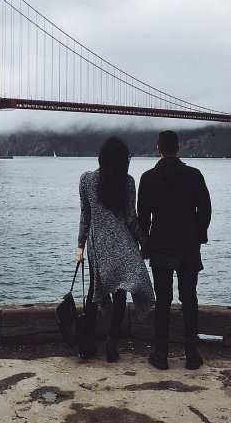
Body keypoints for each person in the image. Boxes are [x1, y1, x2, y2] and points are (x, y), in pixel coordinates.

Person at [138, 130, 211, 370]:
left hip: (160, 247)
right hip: (188, 247)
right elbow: (206, 209)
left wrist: (145, 245)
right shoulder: (194, 175)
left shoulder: (147, 178)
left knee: (163, 301)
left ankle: (161, 355)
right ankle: (192, 355)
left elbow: (143, 217)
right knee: (189, 299)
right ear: (178, 148)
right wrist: (200, 235)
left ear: (158, 148)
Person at [76, 136, 155, 362]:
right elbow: (131, 219)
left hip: (98, 244)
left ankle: (86, 343)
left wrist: (80, 245)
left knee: (94, 291)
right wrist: (145, 242)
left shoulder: (86, 180)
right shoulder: (128, 182)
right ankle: (111, 345)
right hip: (123, 244)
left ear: (101, 157)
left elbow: (85, 217)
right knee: (120, 293)